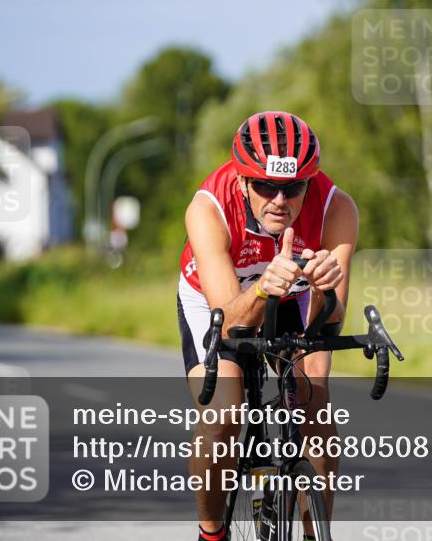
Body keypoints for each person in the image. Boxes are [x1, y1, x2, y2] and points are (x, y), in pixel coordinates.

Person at [177, 111, 358, 541]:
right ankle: (212, 533)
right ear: (243, 181)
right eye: (265, 186)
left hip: (294, 296)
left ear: (309, 183)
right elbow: (228, 324)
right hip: (218, 301)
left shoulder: (336, 208)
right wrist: (261, 289)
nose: (280, 200)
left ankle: (315, 534)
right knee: (224, 412)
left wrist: (323, 290)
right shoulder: (208, 208)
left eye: (293, 188)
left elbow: (329, 323)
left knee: (314, 402)